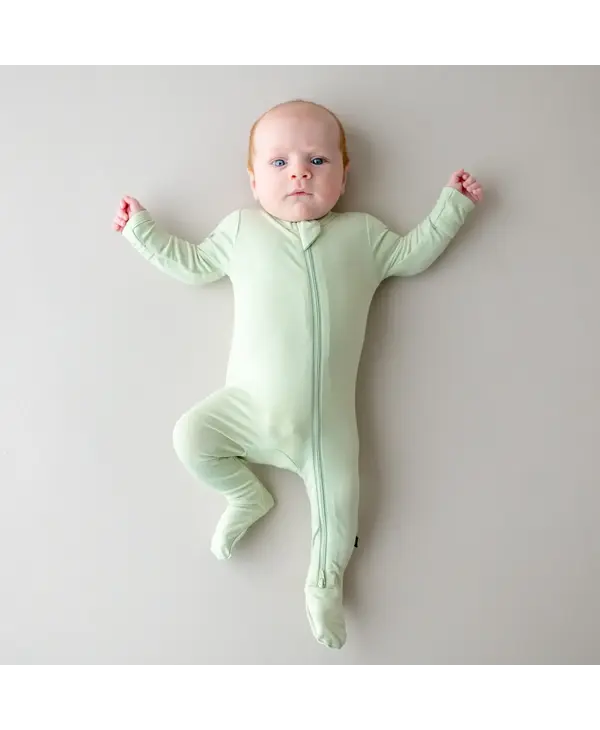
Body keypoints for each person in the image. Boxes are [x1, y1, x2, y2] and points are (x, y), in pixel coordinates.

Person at [112, 99, 483, 649]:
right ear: (254, 180)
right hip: (245, 410)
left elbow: (412, 253)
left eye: (317, 160)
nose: (300, 173)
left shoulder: (364, 236)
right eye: (280, 162)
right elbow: (193, 264)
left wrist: (452, 206)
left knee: (341, 509)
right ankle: (246, 496)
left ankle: (323, 584)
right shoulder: (242, 231)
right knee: (190, 436)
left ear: (343, 176)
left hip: (326, 430)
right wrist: (141, 231)